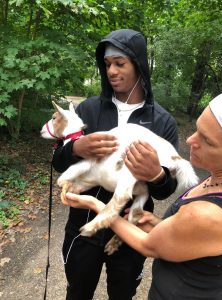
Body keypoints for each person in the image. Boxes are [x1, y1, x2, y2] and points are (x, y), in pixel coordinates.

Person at [53, 29, 179, 300]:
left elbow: (165, 190)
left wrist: (157, 175)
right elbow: (58, 162)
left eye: (120, 63)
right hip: (83, 224)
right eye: (107, 64)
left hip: (130, 230)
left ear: (138, 65)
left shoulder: (162, 122)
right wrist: (75, 147)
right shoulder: (88, 110)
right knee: (77, 292)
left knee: (122, 294)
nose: (111, 71)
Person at [64, 92, 222, 300]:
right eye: (196, 130)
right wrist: (75, 149)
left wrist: (97, 205)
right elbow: (195, 237)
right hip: (164, 286)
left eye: (208, 141)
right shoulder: (214, 181)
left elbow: (151, 245)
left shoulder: (208, 212)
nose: (190, 140)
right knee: (78, 289)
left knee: (122, 289)